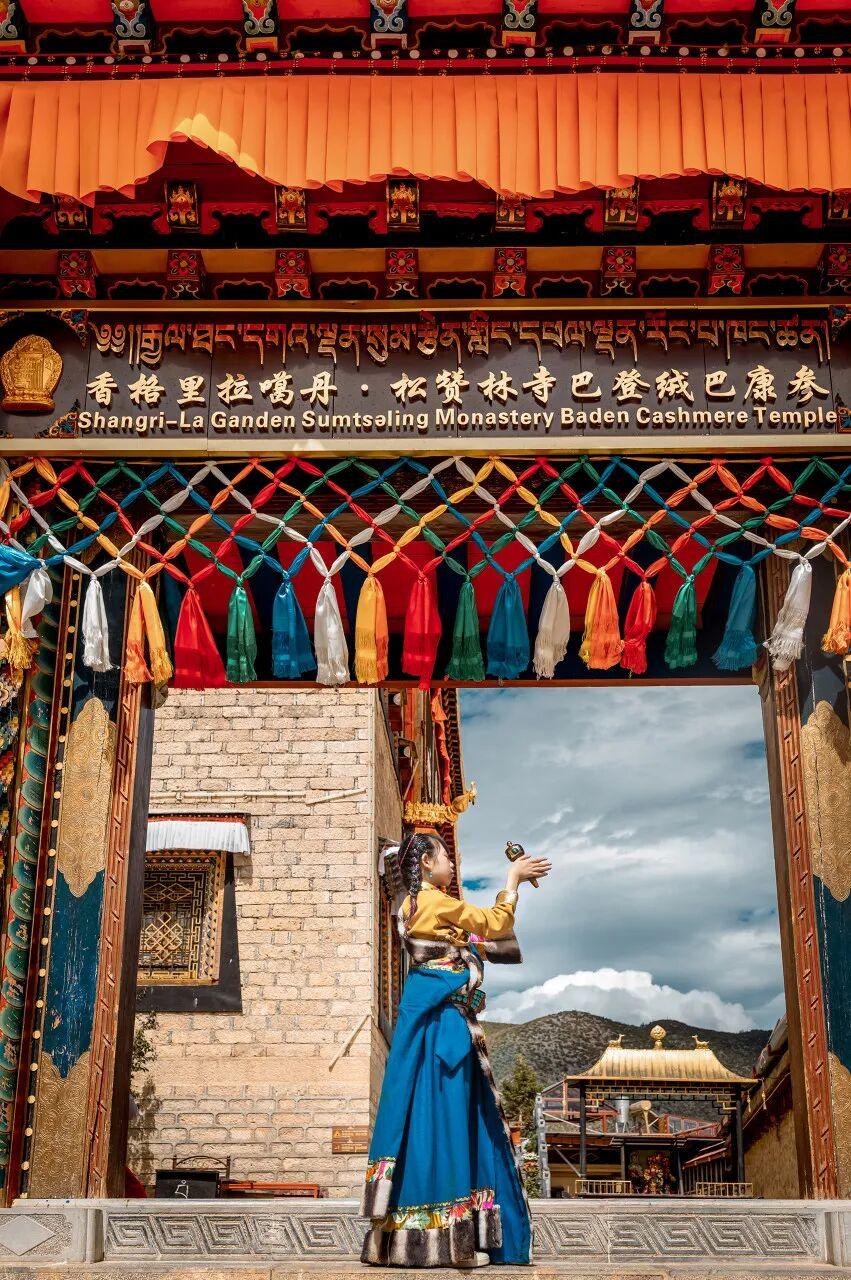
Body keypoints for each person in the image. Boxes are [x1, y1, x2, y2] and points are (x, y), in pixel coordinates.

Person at [361, 827, 551, 1269]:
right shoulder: (432, 901)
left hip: (433, 1027)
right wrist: (512, 880)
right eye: (445, 855)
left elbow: (485, 942)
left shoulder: (415, 907)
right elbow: (495, 924)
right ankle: (456, 1243)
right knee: (449, 1123)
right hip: (446, 1026)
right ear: (427, 863)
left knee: (426, 1123)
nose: (450, 863)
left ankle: (417, 1238)